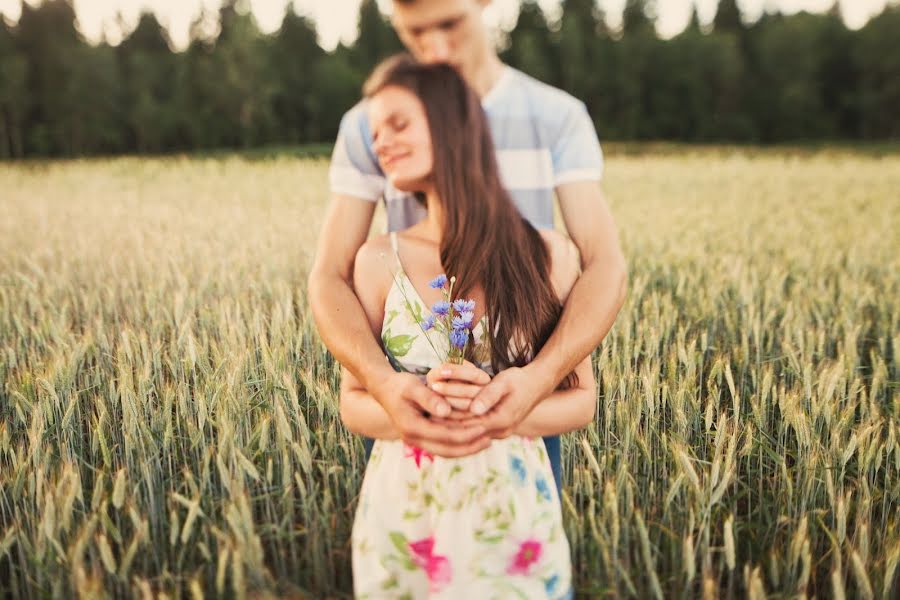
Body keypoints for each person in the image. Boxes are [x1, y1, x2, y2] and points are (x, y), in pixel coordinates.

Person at [308, 0, 627, 496]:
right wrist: (385, 385)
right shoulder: (369, 123)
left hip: (525, 386)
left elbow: (603, 264)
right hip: (408, 398)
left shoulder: (557, 116)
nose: (435, 49)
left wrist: (537, 382)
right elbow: (330, 275)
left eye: (450, 24)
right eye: (415, 33)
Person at [340, 54, 595, 598]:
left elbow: (583, 400)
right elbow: (352, 403)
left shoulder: (549, 257)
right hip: (405, 526)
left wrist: (500, 414)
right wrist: (409, 404)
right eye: (375, 131)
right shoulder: (376, 260)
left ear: (453, 123)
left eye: (399, 123)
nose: (381, 142)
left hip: (515, 527)